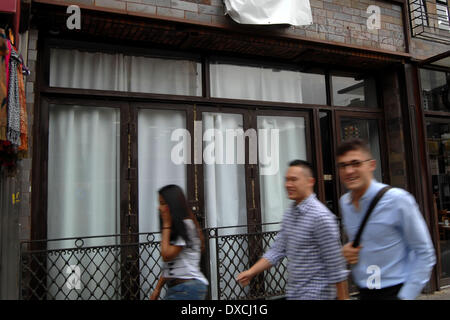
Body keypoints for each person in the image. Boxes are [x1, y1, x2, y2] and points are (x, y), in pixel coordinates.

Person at [337, 138, 436, 300]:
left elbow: (425, 252)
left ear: (371, 165)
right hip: (365, 290)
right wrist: (347, 251)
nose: (349, 171)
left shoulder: (398, 200)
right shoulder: (345, 203)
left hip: (394, 291)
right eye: (343, 165)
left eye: (355, 163)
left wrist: (406, 296)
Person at [237, 160, 349, 300]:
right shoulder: (290, 213)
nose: (288, 184)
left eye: (294, 180)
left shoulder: (321, 217)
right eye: (287, 180)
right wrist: (251, 272)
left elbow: (336, 267)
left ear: (310, 181)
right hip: (295, 295)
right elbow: (277, 250)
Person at [150, 184, 208, 300]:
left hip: (187, 288)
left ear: (172, 205)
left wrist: (166, 225)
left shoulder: (186, 226)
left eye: (162, 204)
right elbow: (172, 265)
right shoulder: (176, 228)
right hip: (180, 288)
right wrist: (157, 289)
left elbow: (166, 255)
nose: (159, 208)